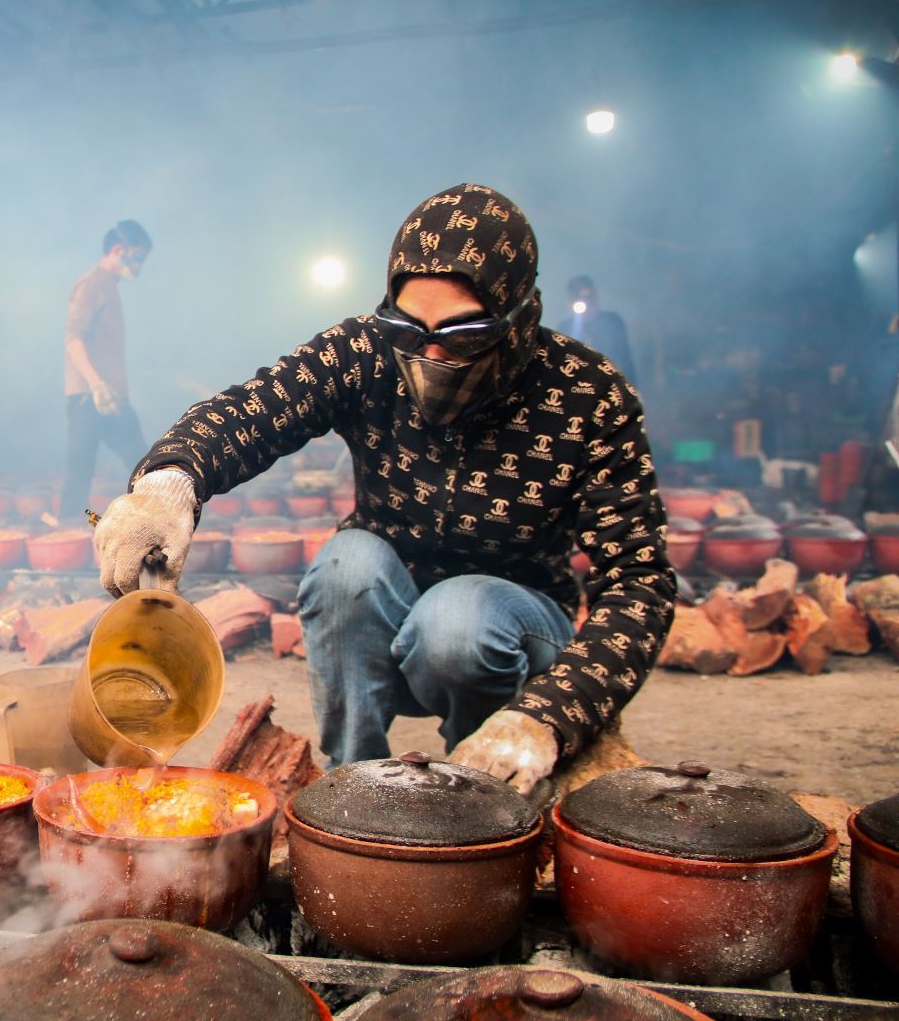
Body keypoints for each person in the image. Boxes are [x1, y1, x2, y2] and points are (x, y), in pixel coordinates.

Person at [96, 185, 675, 795]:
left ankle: (485, 795)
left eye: (461, 334)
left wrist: (551, 714)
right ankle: (355, 789)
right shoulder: (369, 352)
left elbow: (642, 582)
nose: (430, 353)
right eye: (409, 327)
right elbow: (255, 409)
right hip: (383, 624)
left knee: (457, 616)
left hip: (511, 635)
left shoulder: (587, 393)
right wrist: (170, 481)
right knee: (345, 565)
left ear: (517, 315)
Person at [59, 221, 153, 520]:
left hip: (111, 398)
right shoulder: (91, 284)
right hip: (89, 396)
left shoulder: (110, 287)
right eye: (137, 257)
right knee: (80, 470)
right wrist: (96, 384)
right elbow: (73, 339)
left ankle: (151, 519)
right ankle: (67, 530)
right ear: (117, 250)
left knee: (142, 461)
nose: (139, 266)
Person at [559, 275, 636, 386]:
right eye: (579, 298)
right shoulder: (565, 328)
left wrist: (632, 388)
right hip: (578, 387)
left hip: (609, 385)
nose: (588, 303)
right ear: (571, 301)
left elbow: (625, 359)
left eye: (590, 297)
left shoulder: (612, 321)